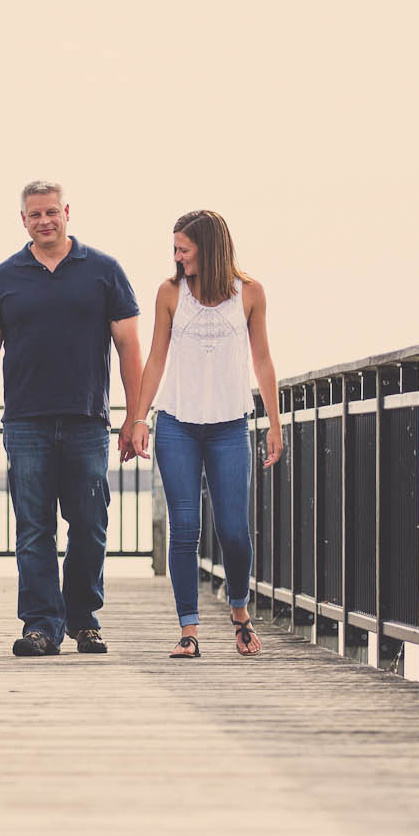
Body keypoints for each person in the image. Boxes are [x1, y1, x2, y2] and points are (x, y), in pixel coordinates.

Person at [0, 180, 142, 657]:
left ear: (67, 212)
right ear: (22, 220)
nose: (44, 221)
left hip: (88, 420)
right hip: (25, 422)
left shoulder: (104, 270)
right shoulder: (4, 276)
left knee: (89, 523)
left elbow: (129, 346)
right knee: (33, 528)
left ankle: (84, 619)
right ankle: (41, 625)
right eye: (34, 215)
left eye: (51, 212)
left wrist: (135, 416)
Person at [127, 209, 282, 658]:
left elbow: (264, 361)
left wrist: (274, 423)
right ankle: (189, 631)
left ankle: (240, 612)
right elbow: (155, 359)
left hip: (230, 426)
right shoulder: (170, 293)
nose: (176, 256)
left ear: (209, 249)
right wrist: (140, 418)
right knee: (185, 529)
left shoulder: (250, 293)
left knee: (234, 530)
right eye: (174, 248)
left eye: (184, 249)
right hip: (176, 424)